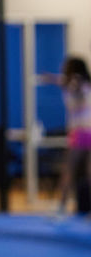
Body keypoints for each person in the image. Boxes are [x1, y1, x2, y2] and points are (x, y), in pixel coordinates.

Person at [41, 56, 91, 216]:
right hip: (88, 130)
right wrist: (51, 78)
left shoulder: (75, 83)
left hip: (81, 132)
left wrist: (56, 80)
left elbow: (71, 84)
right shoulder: (84, 83)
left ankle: (61, 207)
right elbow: (63, 81)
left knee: (68, 170)